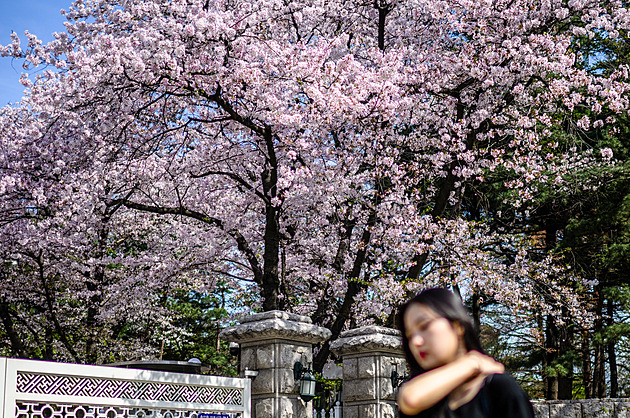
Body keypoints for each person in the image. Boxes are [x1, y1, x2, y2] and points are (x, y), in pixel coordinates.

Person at [396, 288, 535, 418]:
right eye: (409, 336)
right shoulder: (421, 396)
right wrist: (471, 363)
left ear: (457, 326)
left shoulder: (499, 390)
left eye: (425, 326)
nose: (415, 342)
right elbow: (410, 398)